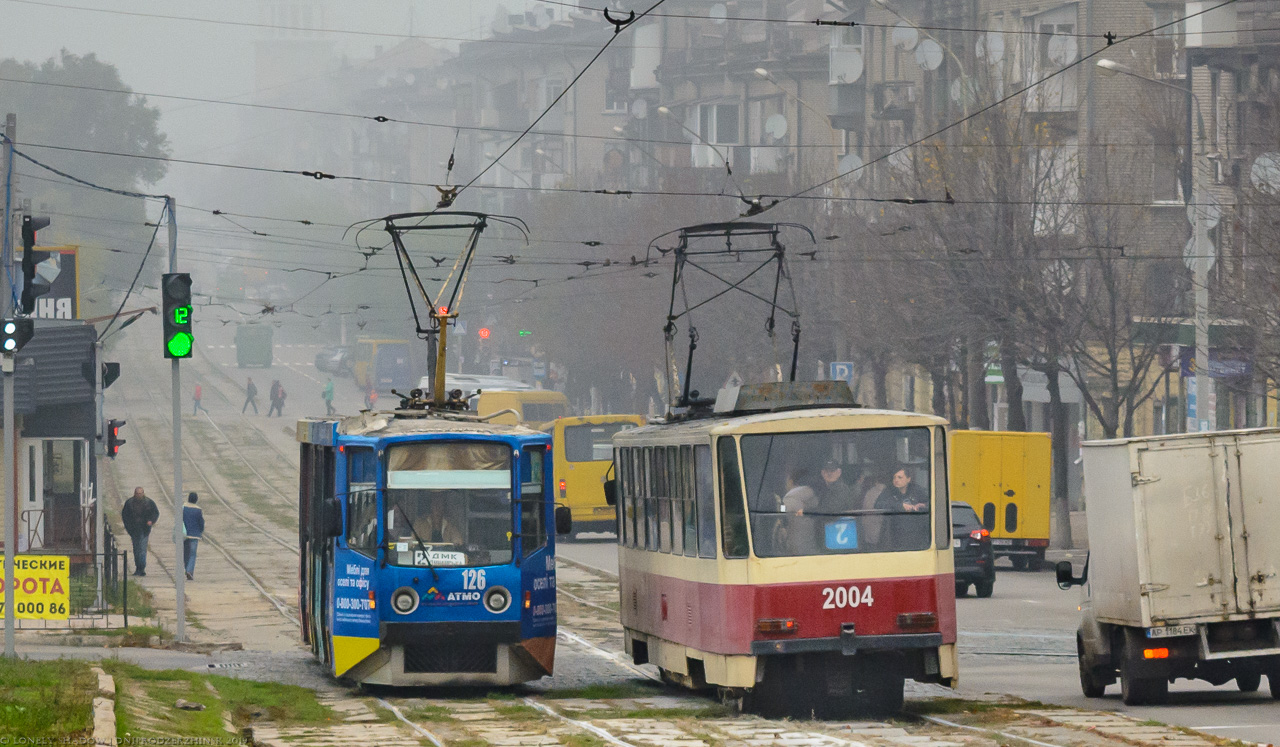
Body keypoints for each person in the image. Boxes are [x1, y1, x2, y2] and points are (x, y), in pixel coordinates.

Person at [121, 487, 159, 576]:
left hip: (144, 529)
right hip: (134, 530)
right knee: (136, 549)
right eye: (137, 493)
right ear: (134, 493)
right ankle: (138, 567)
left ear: (143, 493)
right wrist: (128, 526)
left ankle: (142, 567)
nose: (139, 495)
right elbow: (125, 515)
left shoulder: (149, 503)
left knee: (142, 548)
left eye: (140, 493)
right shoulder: (129, 503)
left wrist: (151, 521)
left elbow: (155, 513)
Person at [182, 492, 204, 581]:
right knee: (192, 554)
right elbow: (201, 522)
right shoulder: (198, 510)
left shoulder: (183, 507)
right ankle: (189, 570)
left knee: (186, 553)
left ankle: (187, 568)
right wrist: (201, 531)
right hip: (194, 535)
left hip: (184, 534)